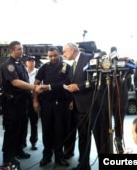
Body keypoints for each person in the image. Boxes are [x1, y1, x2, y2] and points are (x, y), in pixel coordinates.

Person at [0, 40, 45, 169]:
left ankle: (18, 150)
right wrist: (34, 87)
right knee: (12, 131)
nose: (21, 51)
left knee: (21, 129)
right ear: (11, 51)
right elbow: (15, 82)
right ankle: (8, 157)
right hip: (13, 104)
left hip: (23, 103)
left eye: (21, 49)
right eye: (18, 49)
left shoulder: (20, 64)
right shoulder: (9, 65)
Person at [33, 47, 71, 167]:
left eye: (54, 55)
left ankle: (59, 157)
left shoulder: (67, 67)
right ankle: (47, 156)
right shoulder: (44, 67)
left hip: (62, 103)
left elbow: (67, 84)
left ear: (59, 54)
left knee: (60, 131)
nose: (52, 58)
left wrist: (71, 101)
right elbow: (36, 84)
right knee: (47, 130)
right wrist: (35, 101)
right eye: (50, 56)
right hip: (47, 103)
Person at [62, 42, 94, 170]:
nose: (63, 54)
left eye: (65, 51)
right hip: (77, 105)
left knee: (85, 137)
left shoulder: (89, 58)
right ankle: (83, 164)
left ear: (73, 50)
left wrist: (78, 86)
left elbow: (95, 80)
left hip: (88, 105)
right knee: (82, 137)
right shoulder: (73, 64)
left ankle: (84, 165)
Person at [24, 55, 39, 150]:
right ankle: (23, 142)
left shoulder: (38, 72)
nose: (31, 62)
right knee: (23, 122)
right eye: (29, 61)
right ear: (26, 62)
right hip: (24, 98)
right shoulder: (22, 71)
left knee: (34, 122)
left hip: (34, 97)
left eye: (33, 61)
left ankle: (34, 142)